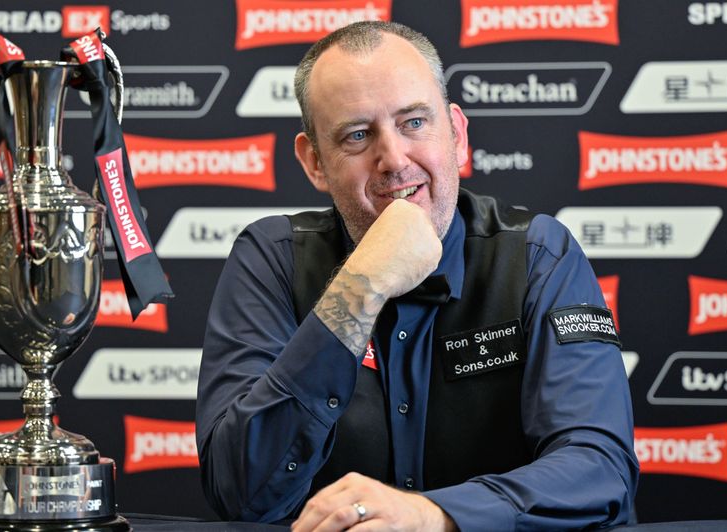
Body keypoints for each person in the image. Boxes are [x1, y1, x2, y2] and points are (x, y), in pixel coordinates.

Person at [196, 20, 638, 531]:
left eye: (413, 122)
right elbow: (241, 491)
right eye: (358, 135)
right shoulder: (272, 259)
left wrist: (435, 516)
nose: (393, 159)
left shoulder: (539, 256)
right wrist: (360, 285)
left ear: (457, 135)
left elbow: (600, 470)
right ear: (315, 162)